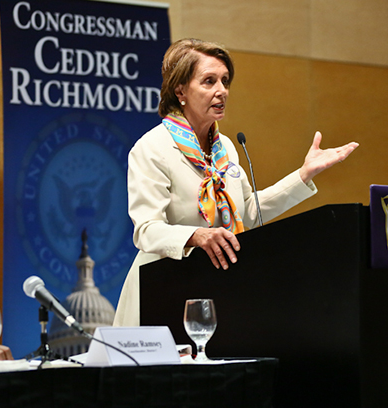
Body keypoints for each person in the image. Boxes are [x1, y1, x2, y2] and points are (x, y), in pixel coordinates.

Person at [113, 39, 358, 327]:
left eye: (225, 81)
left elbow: (247, 213)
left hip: (214, 291)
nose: (222, 91)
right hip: (160, 292)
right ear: (180, 90)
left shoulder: (225, 148)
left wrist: (303, 175)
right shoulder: (153, 148)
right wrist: (197, 236)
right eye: (208, 81)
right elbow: (146, 230)